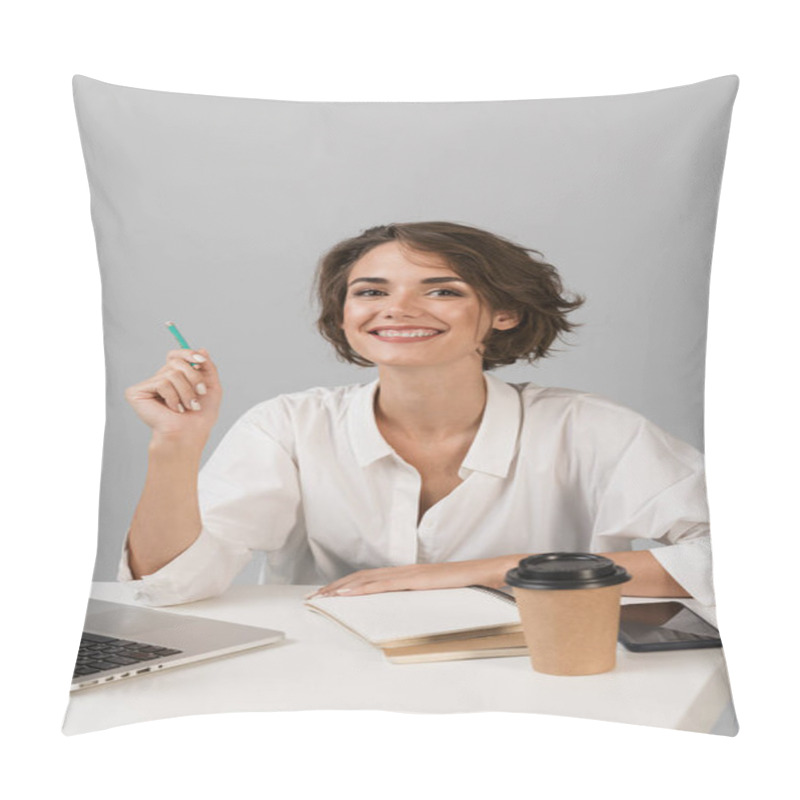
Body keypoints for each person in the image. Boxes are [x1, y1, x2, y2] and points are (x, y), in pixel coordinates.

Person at [121, 221, 713, 608]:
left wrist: (498, 570)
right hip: (326, 678)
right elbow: (168, 586)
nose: (397, 309)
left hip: (537, 673)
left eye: (442, 290)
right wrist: (175, 446)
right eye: (371, 292)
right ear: (346, 314)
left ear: (502, 312)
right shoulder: (289, 427)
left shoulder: (591, 429)